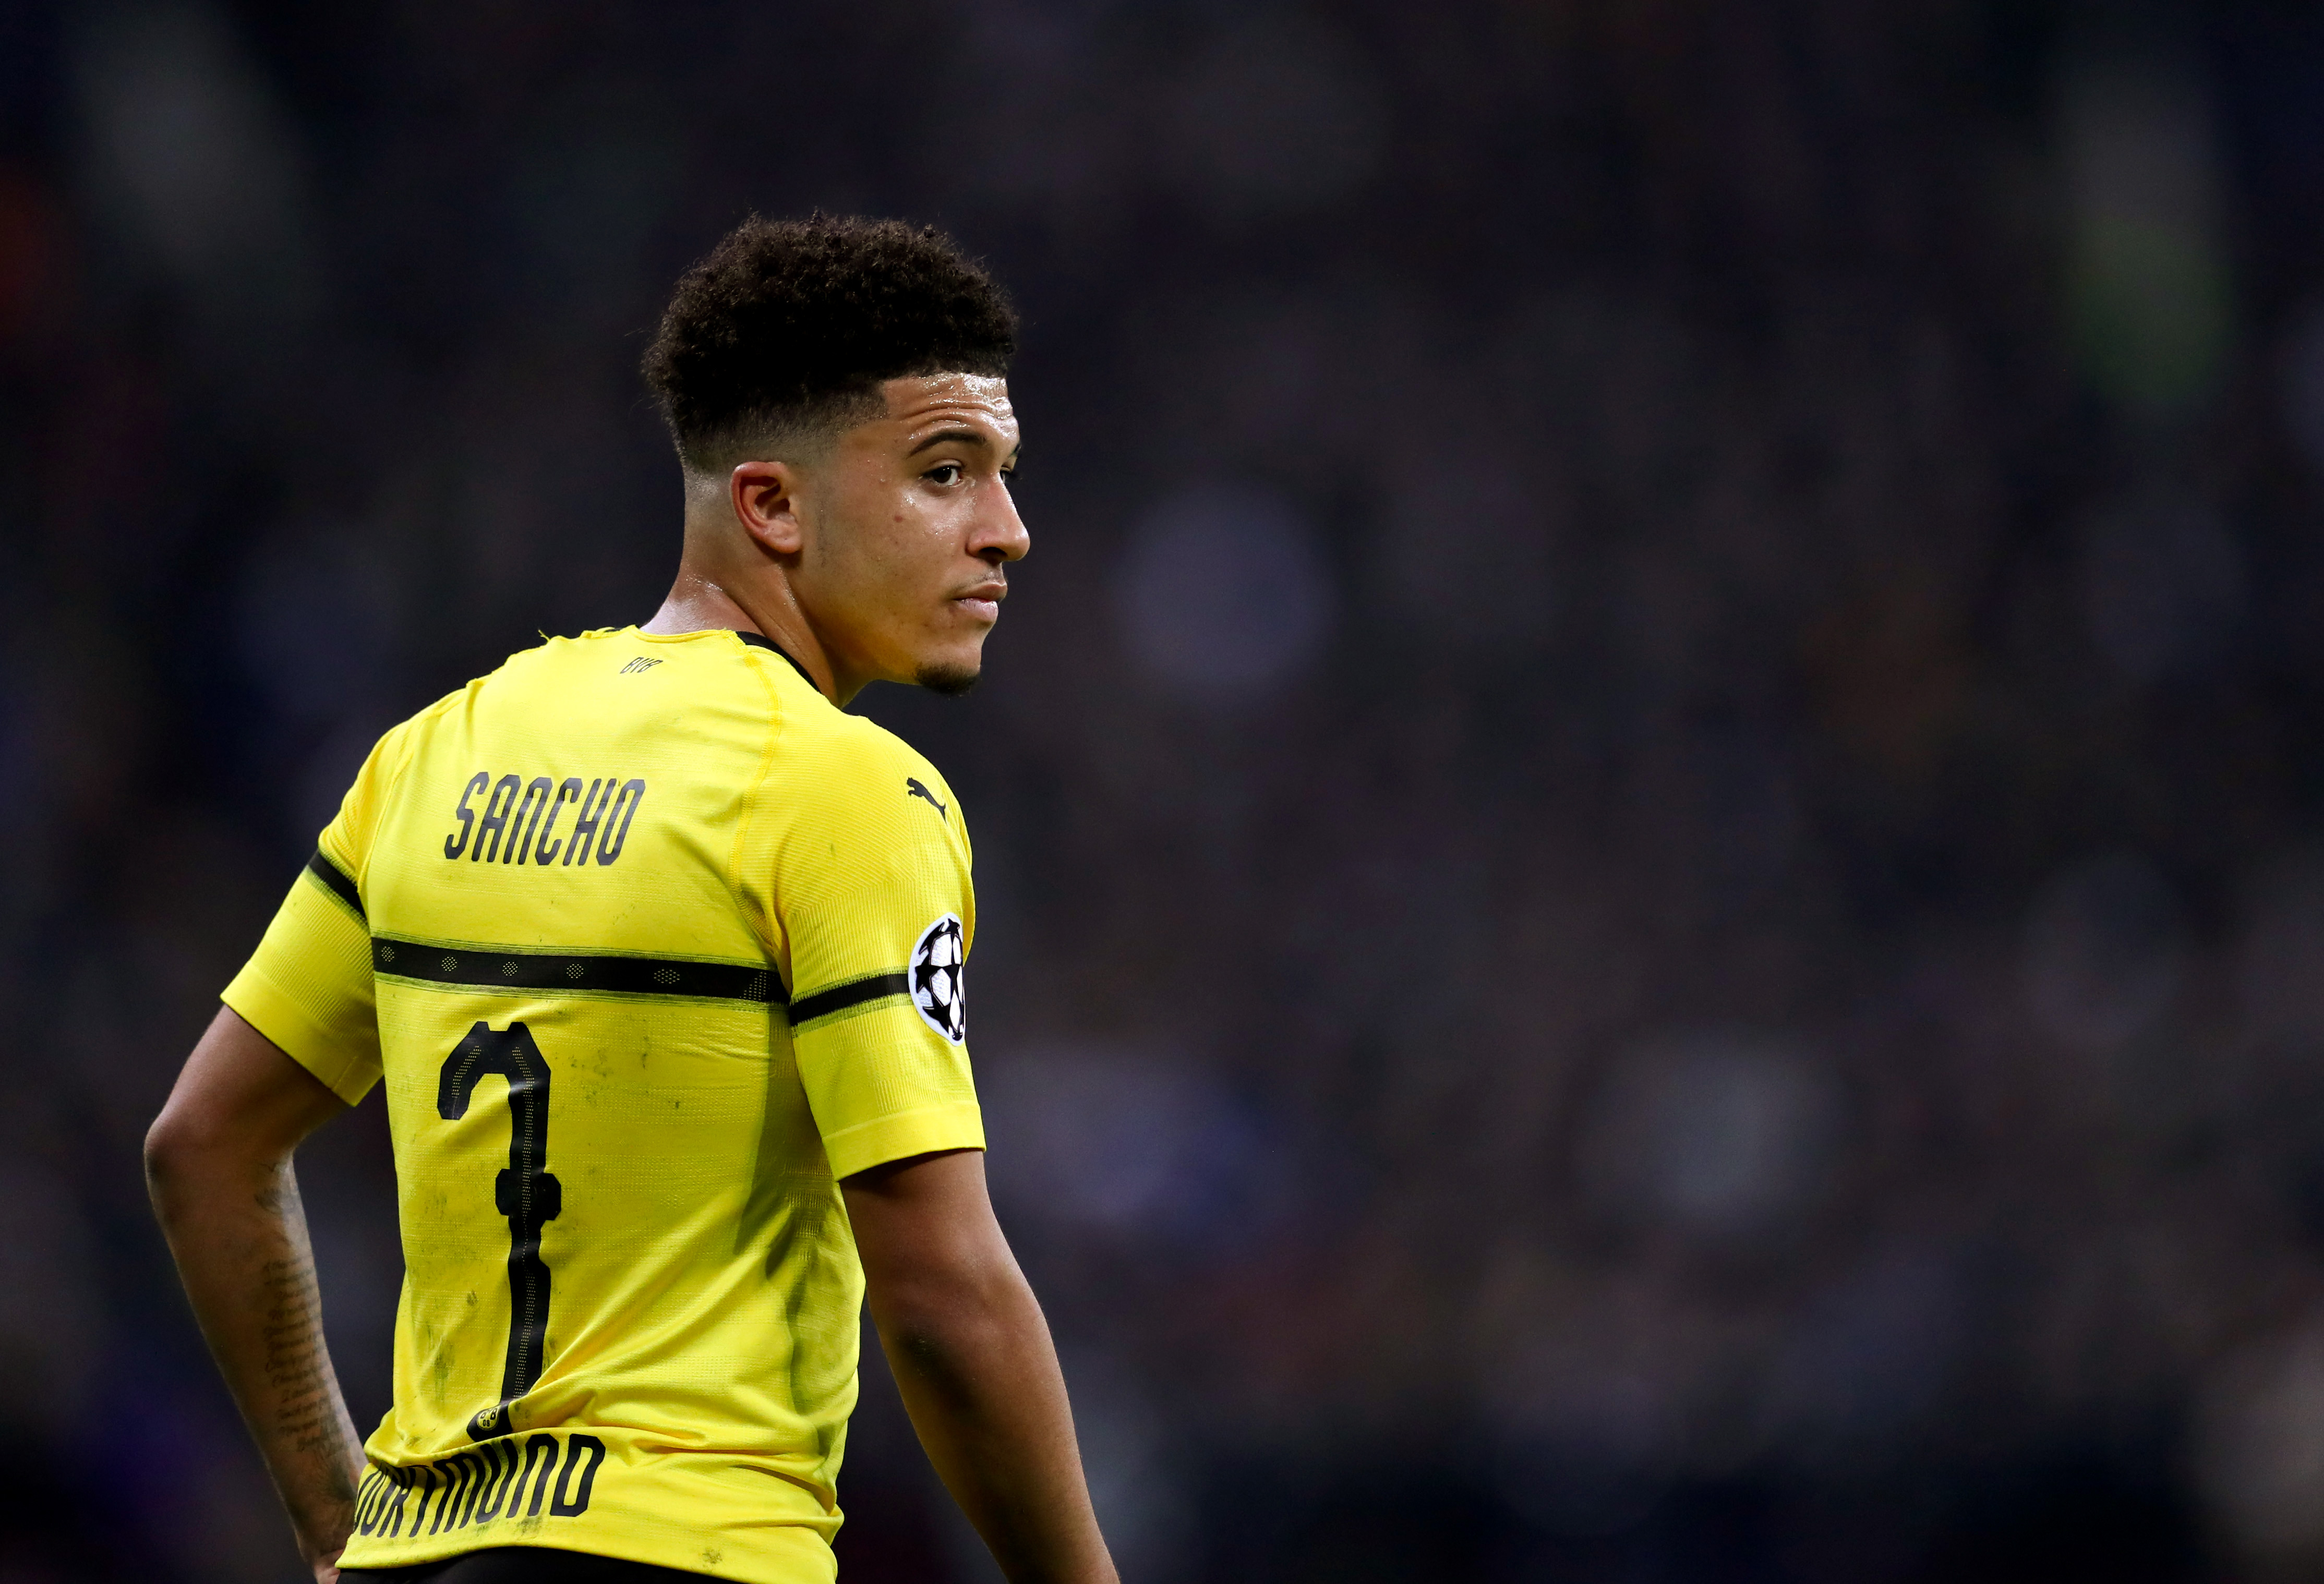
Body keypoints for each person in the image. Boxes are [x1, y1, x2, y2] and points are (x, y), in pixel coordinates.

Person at [144, 215, 1119, 1584]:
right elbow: (942, 1292)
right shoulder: (842, 791)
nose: (1007, 533)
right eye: (945, 474)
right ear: (773, 507)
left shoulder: (437, 752)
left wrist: (335, 1517)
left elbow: (202, 1148)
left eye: (1005, 477)